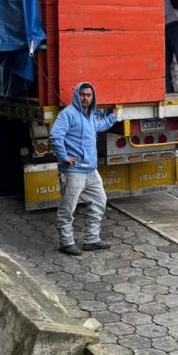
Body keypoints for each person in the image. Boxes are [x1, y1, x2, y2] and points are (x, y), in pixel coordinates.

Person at [50, 82, 118, 256]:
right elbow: (56, 135)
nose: (85, 98)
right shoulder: (68, 114)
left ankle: (91, 240)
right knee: (68, 209)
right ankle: (66, 243)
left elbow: (99, 126)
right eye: (82, 95)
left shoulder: (90, 115)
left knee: (99, 201)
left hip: (91, 171)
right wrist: (64, 157)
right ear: (76, 95)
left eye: (88, 95)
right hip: (74, 172)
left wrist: (113, 116)